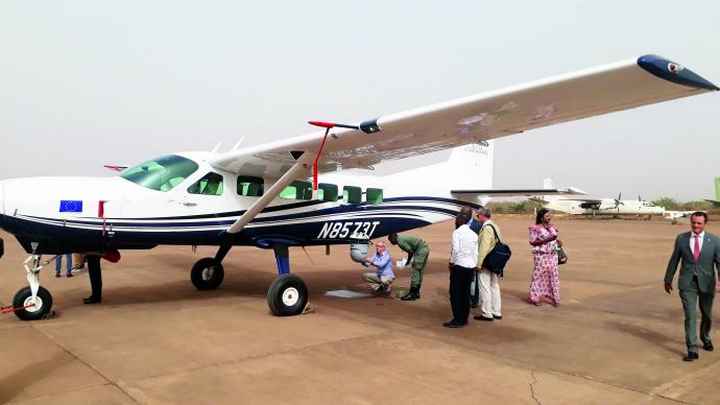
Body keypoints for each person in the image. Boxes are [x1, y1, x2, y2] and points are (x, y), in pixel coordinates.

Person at [664, 212, 720, 361]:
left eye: (699, 223)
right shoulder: (682, 239)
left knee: (706, 315)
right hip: (687, 283)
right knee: (690, 316)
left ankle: (705, 337)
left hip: (707, 284)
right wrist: (668, 278)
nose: (696, 226)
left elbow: (719, 263)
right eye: (693, 223)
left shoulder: (714, 241)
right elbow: (674, 259)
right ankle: (692, 348)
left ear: (704, 224)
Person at [445, 213, 478, 328]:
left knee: (455, 294)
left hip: (459, 266)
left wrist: (451, 263)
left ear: (458, 223)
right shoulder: (474, 234)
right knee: (466, 293)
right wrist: (474, 265)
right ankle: (464, 318)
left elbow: (456, 250)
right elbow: (476, 253)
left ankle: (457, 319)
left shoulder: (457, 233)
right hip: (470, 267)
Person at [474, 207, 504, 321]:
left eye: (477, 216)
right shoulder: (495, 226)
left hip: (487, 261)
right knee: (494, 286)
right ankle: (496, 311)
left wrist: (479, 264)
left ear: (482, 216)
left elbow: (484, 247)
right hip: (495, 261)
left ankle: (487, 313)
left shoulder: (486, 228)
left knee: (484, 286)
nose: (477, 218)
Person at [528, 208, 562, 307]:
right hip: (541, 256)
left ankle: (555, 298)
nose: (549, 217)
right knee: (538, 276)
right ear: (541, 218)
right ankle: (535, 297)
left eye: (550, 215)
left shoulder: (552, 227)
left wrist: (558, 242)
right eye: (547, 216)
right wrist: (548, 239)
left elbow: (554, 238)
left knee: (554, 276)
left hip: (553, 255)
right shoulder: (535, 228)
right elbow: (532, 242)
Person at [388, 233, 430, 301]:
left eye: (391, 241)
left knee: (415, 271)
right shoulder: (401, 237)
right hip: (425, 248)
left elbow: (410, 252)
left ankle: (412, 294)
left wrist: (408, 261)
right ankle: (416, 293)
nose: (391, 243)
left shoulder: (400, 242)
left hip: (420, 250)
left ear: (394, 238)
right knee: (420, 271)